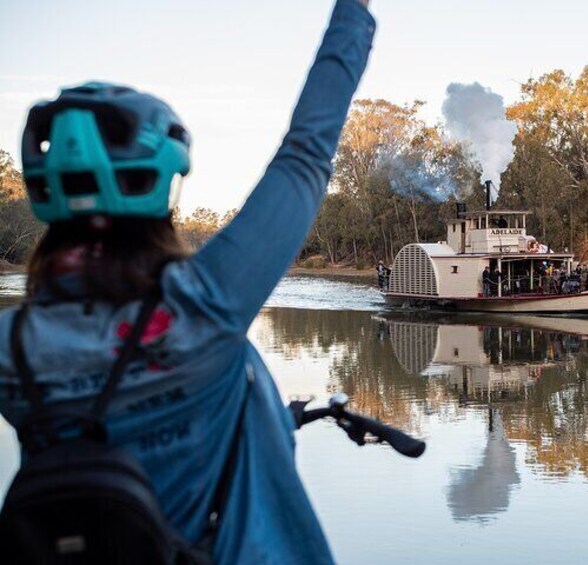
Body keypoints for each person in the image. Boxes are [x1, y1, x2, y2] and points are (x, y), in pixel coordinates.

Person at [0, 1, 375, 563]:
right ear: (165, 190)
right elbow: (306, 153)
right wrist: (355, 10)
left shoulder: (11, 347)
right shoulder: (205, 306)